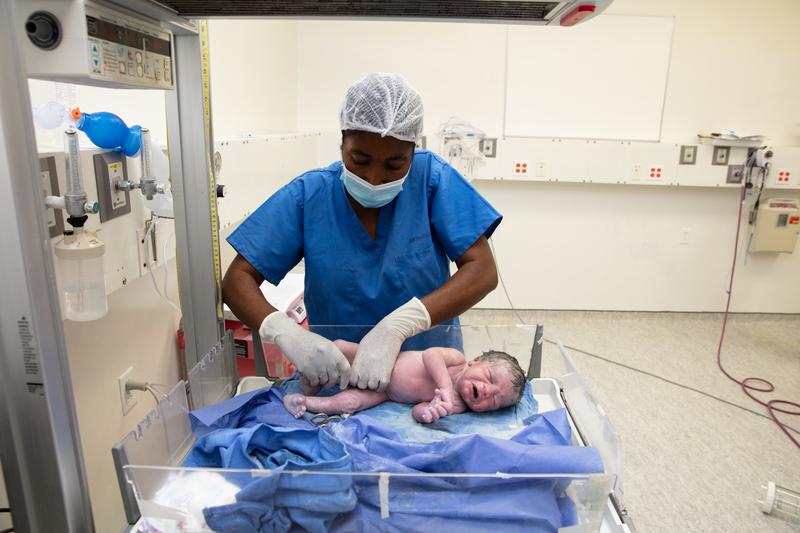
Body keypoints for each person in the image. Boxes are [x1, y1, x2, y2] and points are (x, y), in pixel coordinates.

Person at [223, 72, 502, 393]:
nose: (374, 177)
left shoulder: (431, 179)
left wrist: (398, 326)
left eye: (395, 164)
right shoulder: (310, 195)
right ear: (342, 143)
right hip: (337, 377)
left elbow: (482, 271)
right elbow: (236, 280)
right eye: (359, 159)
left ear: (413, 150)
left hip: (426, 378)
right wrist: (285, 332)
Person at [283, 340, 526, 424]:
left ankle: (305, 401)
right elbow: (431, 354)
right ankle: (310, 380)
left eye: (494, 400)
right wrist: (445, 387)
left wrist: (430, 413)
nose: (486, 391)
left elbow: (417, 410)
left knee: (349, 403)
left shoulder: (457, 407)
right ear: (476, 361)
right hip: (382, 360)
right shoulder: (457, 361)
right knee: (339, 350)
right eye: (490, 378)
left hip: (387, 393)